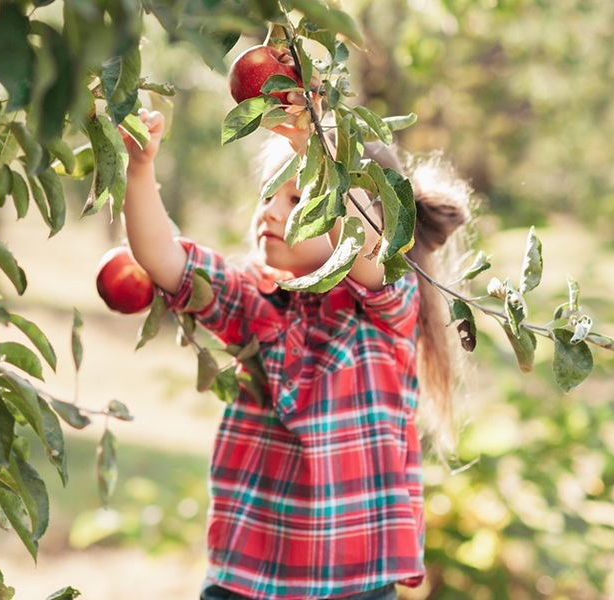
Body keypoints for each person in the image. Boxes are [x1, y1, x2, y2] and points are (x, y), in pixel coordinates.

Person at [119, 79, 472, 599]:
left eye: (299, 196)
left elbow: (363, 245)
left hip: (354, 583)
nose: (271, 210)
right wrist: (141, 168)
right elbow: (165, 260)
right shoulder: (253, 299)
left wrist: (319, 143)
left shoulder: (385, 305)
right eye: (268, 195)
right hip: (247, 578)